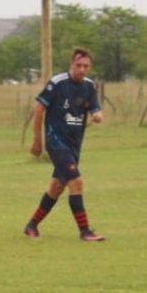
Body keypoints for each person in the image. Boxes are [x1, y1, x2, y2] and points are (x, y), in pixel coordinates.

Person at [24, 47, 105, 241]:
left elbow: (95, 107)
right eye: (79, 65)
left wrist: (97, 114)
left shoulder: (89, 86)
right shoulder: (57, 84)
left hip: (74, 145)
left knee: (57, 187)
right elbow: (39, 108)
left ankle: (31, 225)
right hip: (56, 142)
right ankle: (85, 231)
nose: (82, 69)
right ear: (72, 64)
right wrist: (37, 140)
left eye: (86, 66)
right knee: (76, 181)